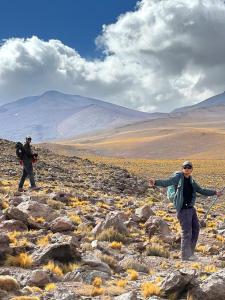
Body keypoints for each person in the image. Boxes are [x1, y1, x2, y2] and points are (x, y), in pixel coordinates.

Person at [149, 161, 223, 261]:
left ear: (192, 169)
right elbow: (168, 182)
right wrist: (156, 182)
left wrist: (215, 192)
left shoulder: (192, 180)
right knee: (187, 232)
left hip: (191, 209)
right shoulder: (178, 177)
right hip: (183, 210)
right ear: (182, 168)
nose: (187, 169)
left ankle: (190, 253)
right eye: (185, 167)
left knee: (196, 229)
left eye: (189, 167)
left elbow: (201, 190)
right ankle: (185, 256)